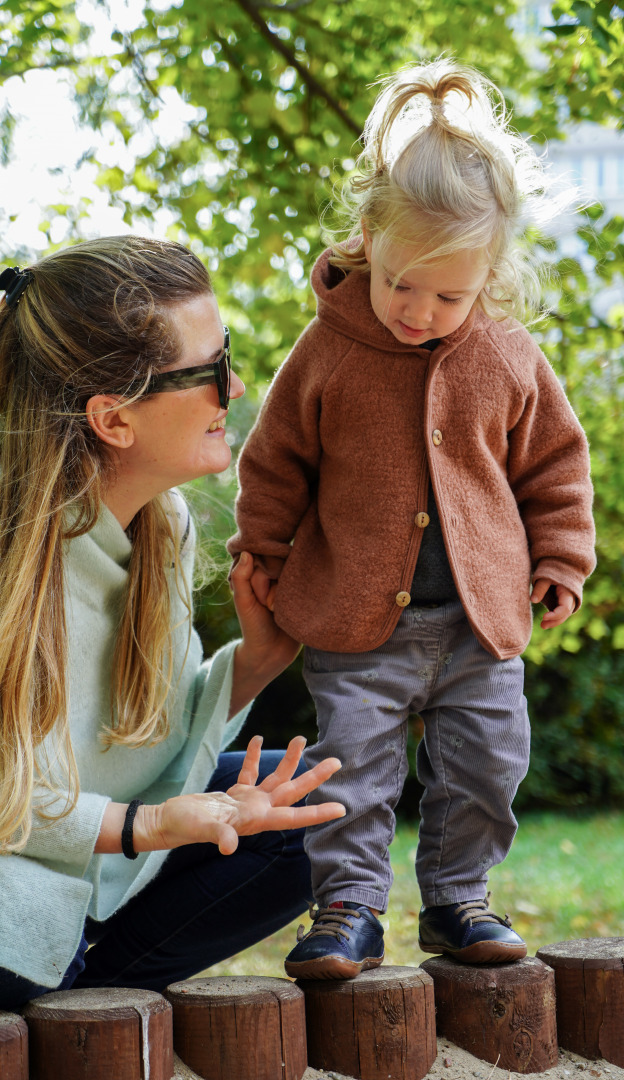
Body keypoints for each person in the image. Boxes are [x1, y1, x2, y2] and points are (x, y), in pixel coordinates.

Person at [0, 235, 346, 1012]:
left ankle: (78, 985)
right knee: (0, 934)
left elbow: (133, 742)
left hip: (78, 845)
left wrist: (258, 660)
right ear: (113, 419)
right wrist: (143, 827)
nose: (236, 386)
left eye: (228, 355)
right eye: (210, 371)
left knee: (321, 818)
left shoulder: (159, 521)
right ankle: (60, 978)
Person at [228, 59, 596, 979]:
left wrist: (561, 556)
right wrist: (261, 551)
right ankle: (347, 908)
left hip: (481, 621)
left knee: (487, 767)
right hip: (359, 621)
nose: (419, 312)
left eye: (449, 296)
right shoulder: (326, 352)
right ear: (367, 240)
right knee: (352, 770)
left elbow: (555, 462)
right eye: (402, 285)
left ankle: (457, 899)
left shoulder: (509, 355)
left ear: (491, 278)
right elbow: (275, 462)